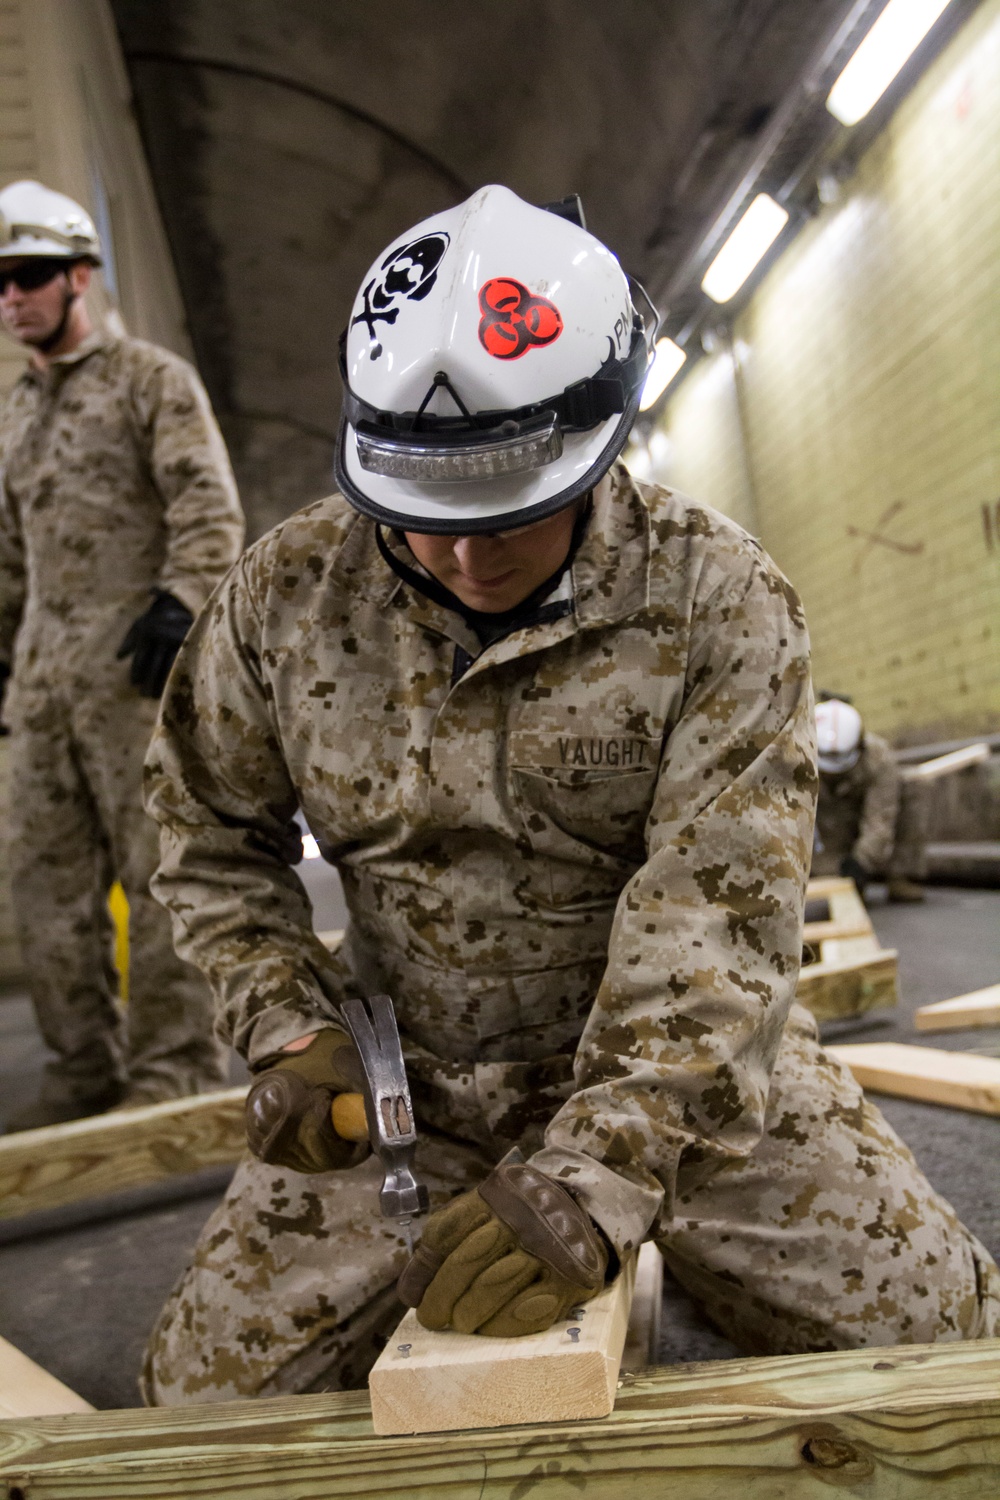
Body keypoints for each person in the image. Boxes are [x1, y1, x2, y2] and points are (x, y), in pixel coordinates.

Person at [141, 186, 996, 1405]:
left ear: (605, 443)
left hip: (678, 1077)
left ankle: (688, 1240)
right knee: (196, 1412)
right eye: (427, 516)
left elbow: (716, 934)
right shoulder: (282, 598)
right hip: (404, 1088)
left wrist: (599, 1177)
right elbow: (205, 829)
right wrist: (285, 1023)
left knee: (954, 1350)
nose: (468, 556)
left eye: (514, 508)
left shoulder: (716, 598)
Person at [0, 180, 246, 1129]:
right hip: (42, 686)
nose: (13, 298)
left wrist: (180, 606)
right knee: (44, 880)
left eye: (29, 277)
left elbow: (207, 507)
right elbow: (8, 554)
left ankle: (172, 1066)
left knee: (156, 874)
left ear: (80, 277)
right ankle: (81, 1068)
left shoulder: (151, 381)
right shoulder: (19, 413)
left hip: (132, 675)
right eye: (3, 283)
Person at [812, 697, 927, 901]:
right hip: (827, 825)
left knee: (912, 786)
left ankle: (903, 875)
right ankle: (834, 874)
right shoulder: (793, 757)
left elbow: (880, 819)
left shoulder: (880, 759)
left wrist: (860, 862)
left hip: (860, 817)